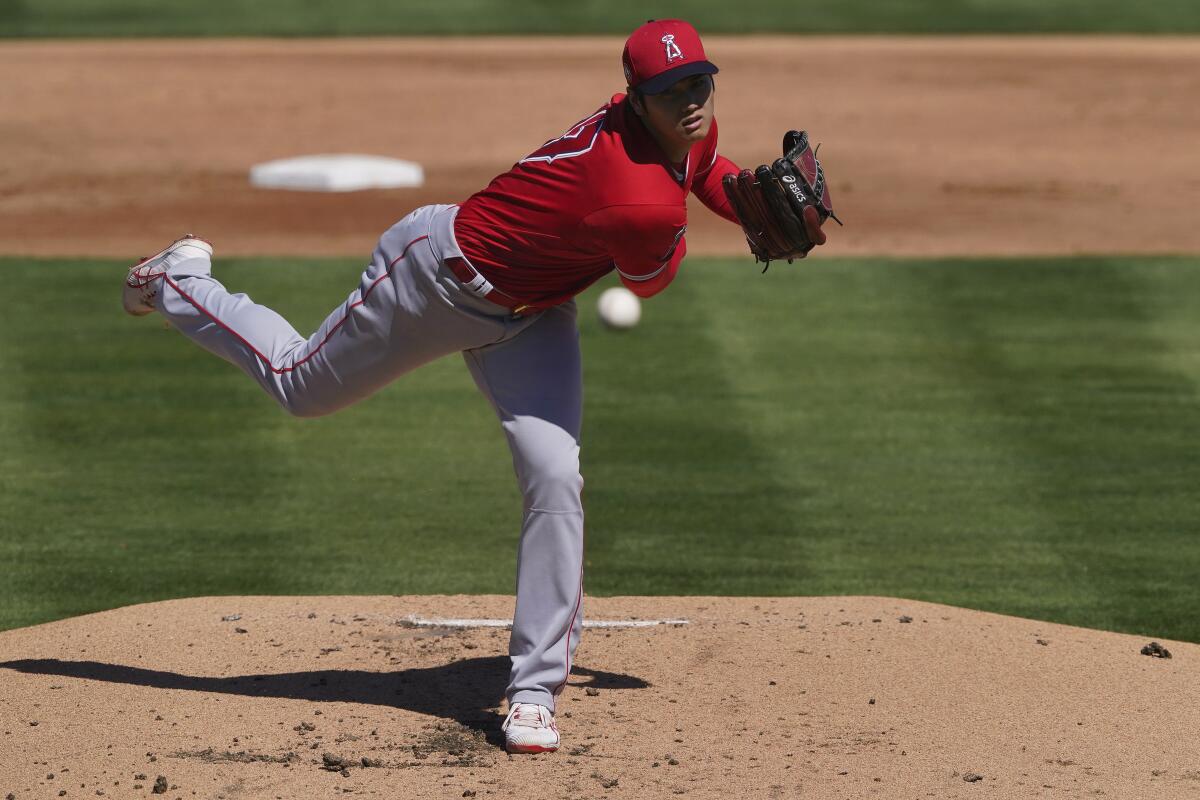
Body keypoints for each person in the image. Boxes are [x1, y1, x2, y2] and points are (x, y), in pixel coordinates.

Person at [121, 18, 827, 754]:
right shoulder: (635, 199)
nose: (690, 103)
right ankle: (178, 279)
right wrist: (741, 213)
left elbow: (704, 165)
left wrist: (741, 192)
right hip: (433, 281)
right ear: (635, 97)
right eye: (669, 90)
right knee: (302, 388)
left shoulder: (675, 130)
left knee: (556, 476)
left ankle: (532, 693)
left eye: (699, 83)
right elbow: (655, 276)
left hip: (531, 316)